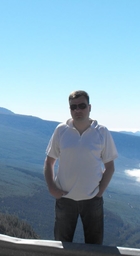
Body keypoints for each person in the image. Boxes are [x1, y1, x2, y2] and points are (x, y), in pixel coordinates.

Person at [44, 90, 118, 244]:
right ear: (69, 109)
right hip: (65, 199)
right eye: (73, 107)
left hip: (92, 201)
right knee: (61, 246)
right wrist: (52, 188)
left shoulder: (101, 132)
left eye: (82, 106)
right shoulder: (61, 130)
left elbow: (110, 166)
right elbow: (49, 161)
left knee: (94, 247)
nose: (77, 110)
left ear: (89, 107)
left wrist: (99, 193)